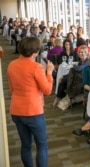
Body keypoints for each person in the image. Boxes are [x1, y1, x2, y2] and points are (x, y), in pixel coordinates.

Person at [7, 37, 54, 167]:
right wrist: (49, 73)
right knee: (42, 145)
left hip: (16, 110)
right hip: (33, 111)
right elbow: (47, 90)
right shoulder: (36, 67)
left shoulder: (11, 65)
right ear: (35, 52)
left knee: (26, 145)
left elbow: (12, 90)